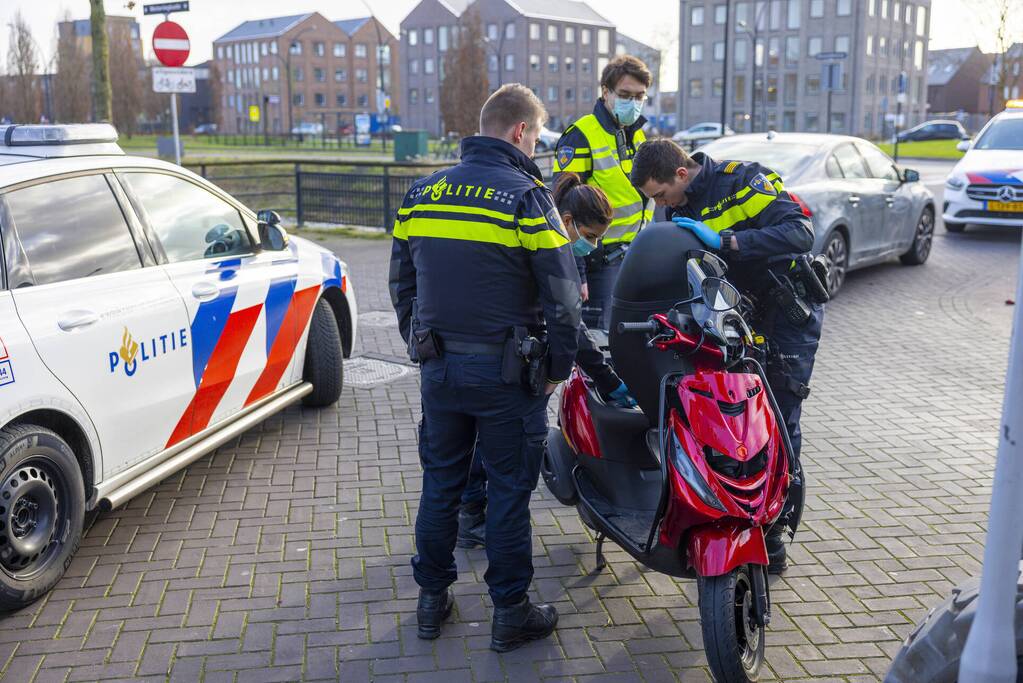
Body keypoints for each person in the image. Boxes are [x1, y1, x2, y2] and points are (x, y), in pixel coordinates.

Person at [389, 83, 580, 652]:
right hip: (507, 376)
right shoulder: (527, 196)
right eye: (538, 135)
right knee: (507, 492)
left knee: (441, 483)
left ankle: (431, 601)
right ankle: (510, 611)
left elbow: (403, 282)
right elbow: (563, 295)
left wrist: (418, 341)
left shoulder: (422, 193)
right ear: (521, 131)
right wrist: (559, 366)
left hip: (440, 370)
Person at [629, 138, 825, 574]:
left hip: (788, 311)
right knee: (733, 417)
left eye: (661, 195)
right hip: (734, 317)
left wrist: (728, 241)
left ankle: (774, 531)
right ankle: (728, 514)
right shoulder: (675, 206)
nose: (661, 205)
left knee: (779, 416)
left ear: (681, 174)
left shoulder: (744, 179)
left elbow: (800, 231)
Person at [456, 173, 639, 550]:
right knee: (506, 449)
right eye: (589, 236)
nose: (593, 246)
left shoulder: (537, 235)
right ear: (568, 221)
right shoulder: (549, 250)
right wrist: (602, 379)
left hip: (476, 353)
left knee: (474, 439)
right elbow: (569, 324)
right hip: (504, 359)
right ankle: (479, 521)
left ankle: (470, 513)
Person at [553, 54, 656, 330]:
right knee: (601, 339)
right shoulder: (582, 134)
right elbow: (564, 206)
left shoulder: (636, 134)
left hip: (633, 254)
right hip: (598, 260)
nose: (633, 102)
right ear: (606, 92)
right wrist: (578, 269)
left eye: (639, 96)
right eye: (625, 94)